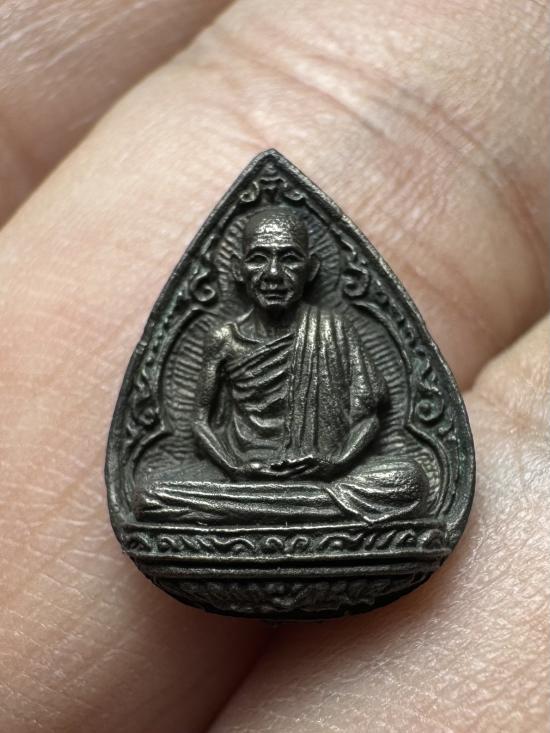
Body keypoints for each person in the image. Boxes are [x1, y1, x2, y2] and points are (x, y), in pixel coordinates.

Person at [134, 206, 429, 525]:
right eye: (258, 259)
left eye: (289, 259)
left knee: (408, 481)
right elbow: (200, 421)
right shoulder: (224, 339)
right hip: (244, 476)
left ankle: (264, 509)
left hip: (323, 473)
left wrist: (336, 463)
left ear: (311, 269)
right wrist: (235, 468)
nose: (273, 273)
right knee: (149, 493)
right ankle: (309, 508)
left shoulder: (333, 328)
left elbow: (369, 416)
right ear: (238, 269)